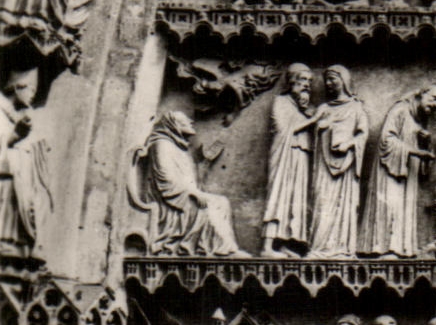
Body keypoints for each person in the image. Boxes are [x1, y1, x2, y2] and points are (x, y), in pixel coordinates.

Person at [129, 111, 247, 256]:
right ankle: (220, 249)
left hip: (181, 194)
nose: (191, 122)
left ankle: (221, 247)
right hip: (169, 201)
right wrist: (192, 193)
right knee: (211, 205)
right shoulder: (161, 144)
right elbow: (165, 177)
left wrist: (203, 165)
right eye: (184, 121)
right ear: (173, 125)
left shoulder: (179, 147)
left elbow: (187, 179)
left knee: (221, 202)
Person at [360, 85, 436, 258]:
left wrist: (425, 144)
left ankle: (399, 248)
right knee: (391, 205)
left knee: (401, 207)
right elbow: (387, 140)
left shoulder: (417, 121)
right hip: (390, 172)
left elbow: (422, 163)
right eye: (434, 98)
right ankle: (385, 248)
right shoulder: (400, 110)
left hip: (407, 174)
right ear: (421, 93)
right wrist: (417, 151)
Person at [306, 65, 368, 257]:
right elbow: (313, 133)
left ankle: (342, 249)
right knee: (322, 201)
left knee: (344, 204)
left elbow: (363, 133)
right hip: (324, 163)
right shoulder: (323, 108)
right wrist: (320, 129)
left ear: (344, 80)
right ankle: (318, 248)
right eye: (327, 80)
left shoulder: (356, 107)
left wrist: (349, 144)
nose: (329, 83)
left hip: (346, 165)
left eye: (333, 79)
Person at [261, 64, 316, 256]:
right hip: (284, 157)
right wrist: (314, 119)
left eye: (309, 82)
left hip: (299, 157)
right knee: (279, 196)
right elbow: (284, 129)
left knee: (294, 199)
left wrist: (309, 114)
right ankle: (267, 247)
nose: (306, 85)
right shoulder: (281, 101)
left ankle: (284, 243)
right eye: (302, 80)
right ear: (292, 81)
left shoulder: (303, 108)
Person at [0, 69, 51, 260]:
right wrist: (14, 137)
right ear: (16, 87)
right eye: (30, 89)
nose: (33, 94)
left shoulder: (24, 115)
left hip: (21, 181)